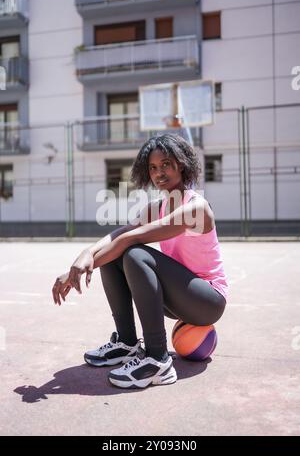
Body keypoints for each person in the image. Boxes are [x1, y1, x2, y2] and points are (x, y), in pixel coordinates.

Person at [52, 134, 228, 390]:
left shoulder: (196, 208)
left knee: (133, 253)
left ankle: (158, 360)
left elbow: (130, 238)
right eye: (153, 167)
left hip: (208, 301)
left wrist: (77, 271)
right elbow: (120, 234)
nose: (159, 172)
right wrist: (86, 253)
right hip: (179, 297)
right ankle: (126, 343)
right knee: (116, 257)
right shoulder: (157, 207)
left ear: (181, 164)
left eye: (166, 164)